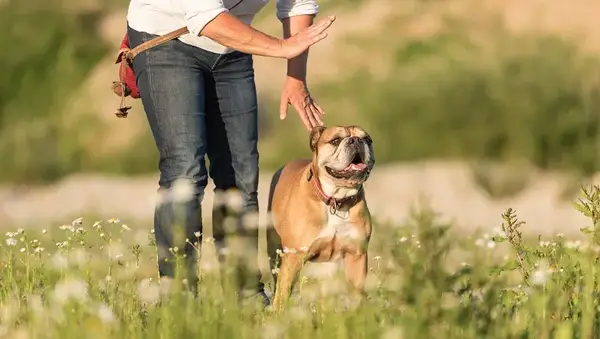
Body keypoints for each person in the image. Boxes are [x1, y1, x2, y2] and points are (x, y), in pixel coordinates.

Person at [125, 0, 335, 305]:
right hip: (165, 37)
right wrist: (280, 47)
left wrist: (295, 77)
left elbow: (297, 3)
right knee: (186, 170)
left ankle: (245, 295)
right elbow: (205, 16)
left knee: (241, 176)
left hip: (230, 48)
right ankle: (178, 301)